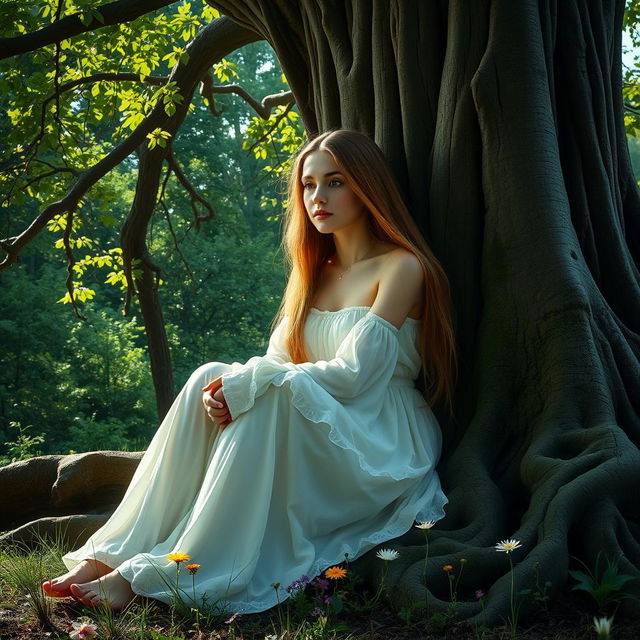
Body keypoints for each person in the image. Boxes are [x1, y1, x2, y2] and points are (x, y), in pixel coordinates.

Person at [42, 129, 457, 613]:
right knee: (207, 374)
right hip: (314, 418)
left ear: (367, 187)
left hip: (379, 435)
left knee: (268, 391)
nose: (317, 197)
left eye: (335, 182)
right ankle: (109, 556)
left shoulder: (402, 267)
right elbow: (279, 361)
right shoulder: (313, 273)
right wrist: (229, 387)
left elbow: (355, 378)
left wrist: (255, 382)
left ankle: (162, 573)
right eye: (308, 185)